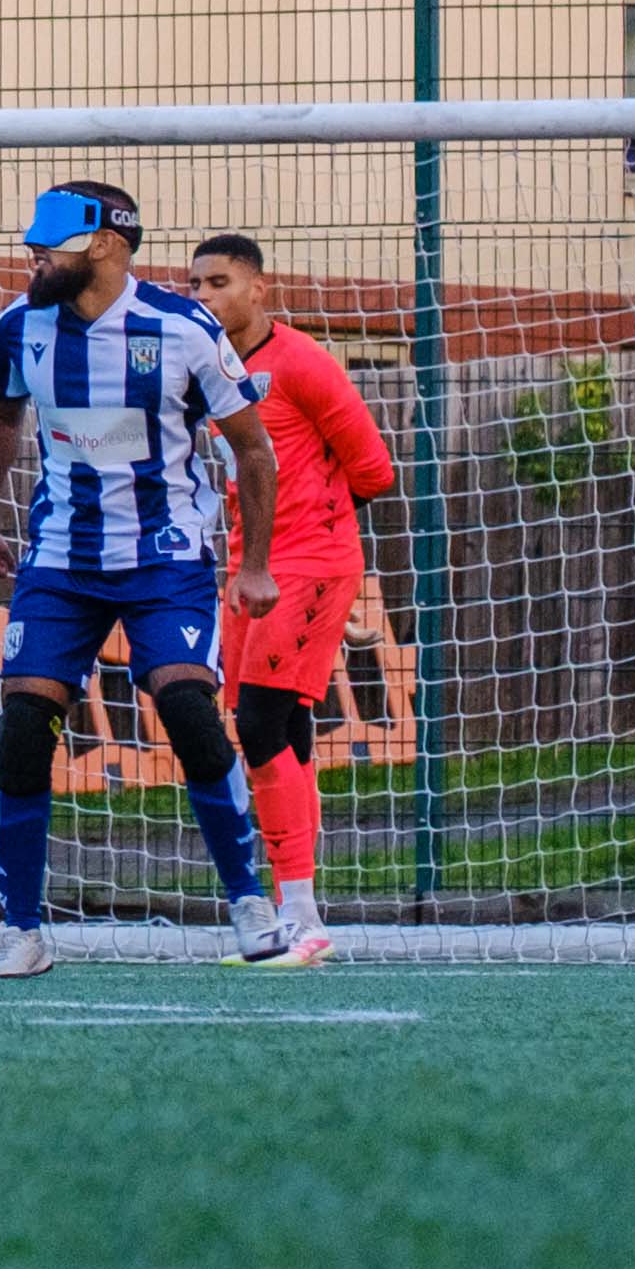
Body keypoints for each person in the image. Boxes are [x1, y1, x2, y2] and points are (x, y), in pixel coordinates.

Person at [0, 179, 287, 979]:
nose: (34, 256)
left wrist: (253, 565)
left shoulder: (180, 328)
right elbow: (2, 418)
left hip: (163, 557)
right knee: (25, 726)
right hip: (59, 560)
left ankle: (247, 900)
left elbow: (250, 446)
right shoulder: (18, 326)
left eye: (51, 245)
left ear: (106, 243)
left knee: (183, 702)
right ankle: (23, 928)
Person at [179, 232, 397, 969]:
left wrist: (319, 542)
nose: (203, 295)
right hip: (248, 566)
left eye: (218, 282)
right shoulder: (207, 365)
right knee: (267, 724)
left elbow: (373, 468)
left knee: (263, 719)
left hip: (307, 564)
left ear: (257, 288)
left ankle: (297, 915)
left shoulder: (301, 362)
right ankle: (295, 911)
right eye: (195, 284)